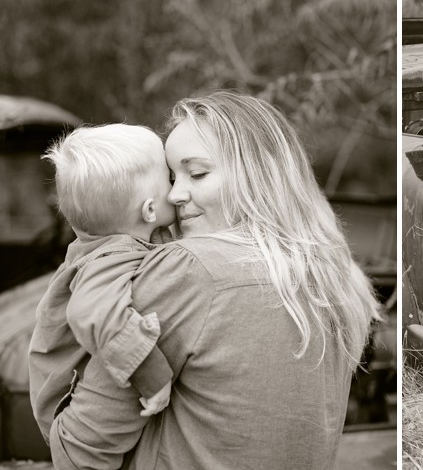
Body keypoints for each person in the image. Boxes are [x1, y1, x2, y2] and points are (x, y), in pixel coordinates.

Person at [44, 91, 382, 469]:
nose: (175, 194)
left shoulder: (189, 270)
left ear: (257, 176)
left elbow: (82, 449)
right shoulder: (334, 279)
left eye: (198, 173)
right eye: (172, 177)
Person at [29, 124, 177, 443]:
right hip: (69, 409)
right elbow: (90, 310)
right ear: (150, 210)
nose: (177, 190)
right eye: (171, 179)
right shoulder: (111, 254)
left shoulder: (117, 240)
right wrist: (152, 375)